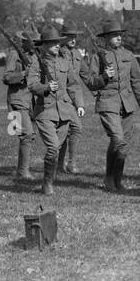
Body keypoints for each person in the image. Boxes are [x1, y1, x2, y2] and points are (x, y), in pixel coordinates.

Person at [80, 16, 140, 193]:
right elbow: (90, 82)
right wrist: (104, 76)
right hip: (108, 102)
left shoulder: (128, 55)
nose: (119, 37)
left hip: (127, 104)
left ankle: (118, 180)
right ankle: (109, 178)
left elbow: (138, 80)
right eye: (114, 35)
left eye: (120, 34)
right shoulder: (97, 57)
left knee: (123, 145)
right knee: (117, 140)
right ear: (105, 38)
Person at [27, 23, 88, 195]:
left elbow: (74, 84)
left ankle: (49, 179)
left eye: (57, 43)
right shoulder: (36, 62)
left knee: (56, 148)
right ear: (44, 45)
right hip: (45, 111)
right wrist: (46, 87)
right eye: (53, 43)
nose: (56, 45)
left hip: (65, 111)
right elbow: (32, 84)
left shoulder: (64, 61)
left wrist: (80, 104)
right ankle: (47, 184)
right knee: (53, 147)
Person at [1, 25, 40, 182]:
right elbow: (7, 78)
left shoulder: (37, 56)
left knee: (29, 136)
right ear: (24, 41)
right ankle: (23, 172)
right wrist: (24, 74)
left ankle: (21, 169)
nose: (36, 44)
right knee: (26, 134)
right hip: (17, 99)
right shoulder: (14, 55)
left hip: (31, 100)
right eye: (33, 41)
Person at [58, 26, 85, 174]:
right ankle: (65, 164)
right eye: (69, 36)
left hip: (71, 98)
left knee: (71, 129)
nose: (73, 39)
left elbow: (84, 76)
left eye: (75, 36)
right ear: (63, 38)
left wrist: (103, 82)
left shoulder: (77, 54)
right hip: (59, 97)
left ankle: (66, 164)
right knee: (72, 128)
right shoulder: (58, 53)